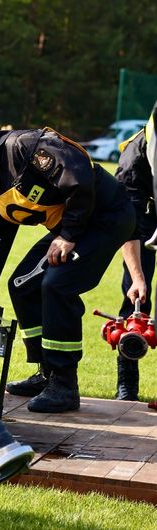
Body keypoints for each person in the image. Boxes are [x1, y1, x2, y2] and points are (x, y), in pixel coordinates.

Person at [0, 108, 135, 413]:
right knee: (22, 285)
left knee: (57, 284)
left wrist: (68, 234)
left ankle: (64, 385)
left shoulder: (24, 147)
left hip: (107, 216)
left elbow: (79, 176)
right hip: (73, 228)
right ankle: (47, 373)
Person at [113, 120, 155, 400]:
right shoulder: (134, 158)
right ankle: (127, 384)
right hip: (143, 219)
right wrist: (138, 278)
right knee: (136, 297)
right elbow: (128, 226)